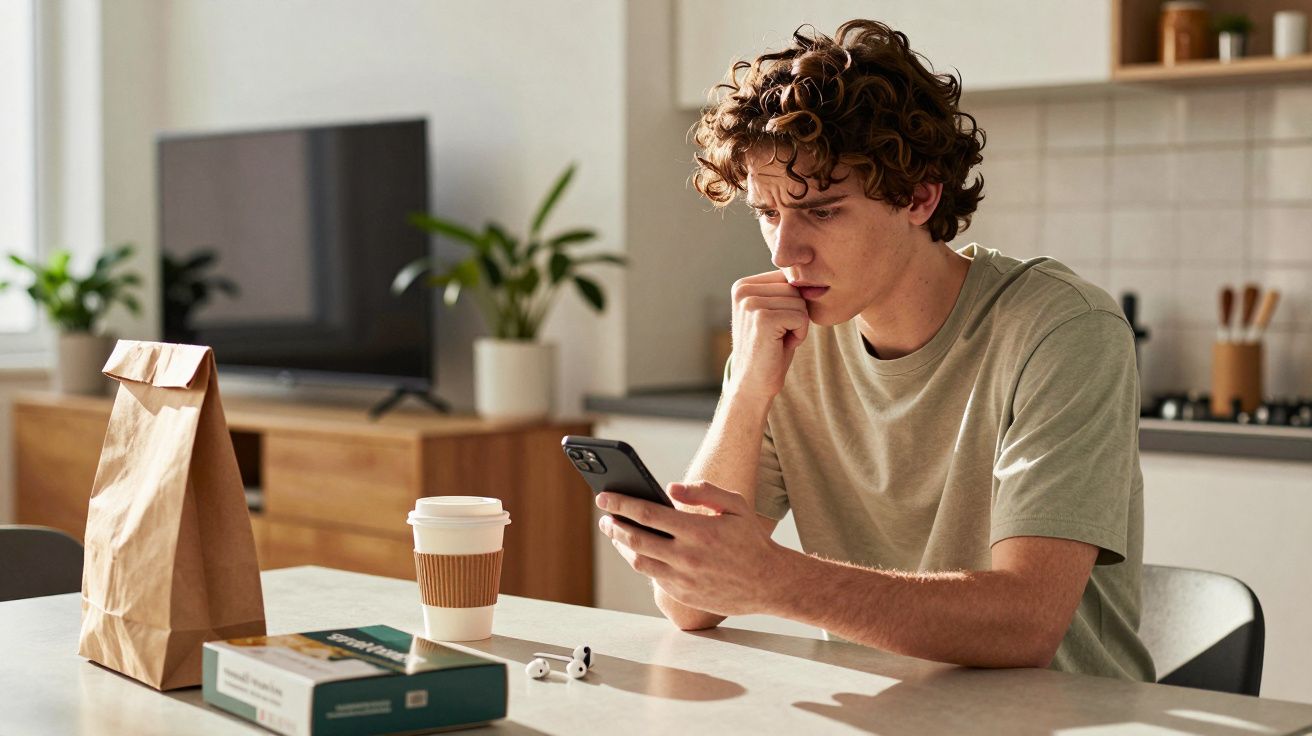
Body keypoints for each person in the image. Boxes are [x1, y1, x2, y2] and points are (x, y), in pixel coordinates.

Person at [595, 19, 1154, 681]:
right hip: (889, 714)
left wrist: (777, 580)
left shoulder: (1061, 329)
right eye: (768, 213)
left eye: (822, 211)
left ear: (920, 196)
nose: (784, 253)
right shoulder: (785, 342)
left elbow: (1026, 621)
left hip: (1065, 720)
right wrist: (747, 388)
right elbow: (686, 603)